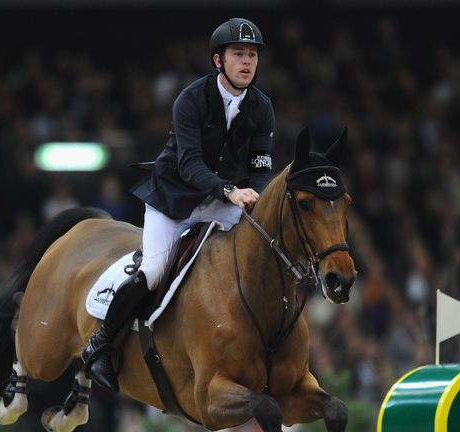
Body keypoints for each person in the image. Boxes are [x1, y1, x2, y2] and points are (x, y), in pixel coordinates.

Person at [82, 17, 276, 392]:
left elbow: (261, 165)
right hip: (175, 200)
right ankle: (101, 343)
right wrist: (229, 191)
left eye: (252, 54)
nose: (247, 61)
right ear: (218, 61)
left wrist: (253, 193)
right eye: (238, 53)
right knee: (154, 270)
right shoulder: (190, 99)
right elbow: (189, 165)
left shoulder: (261, 107)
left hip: (225, 201)